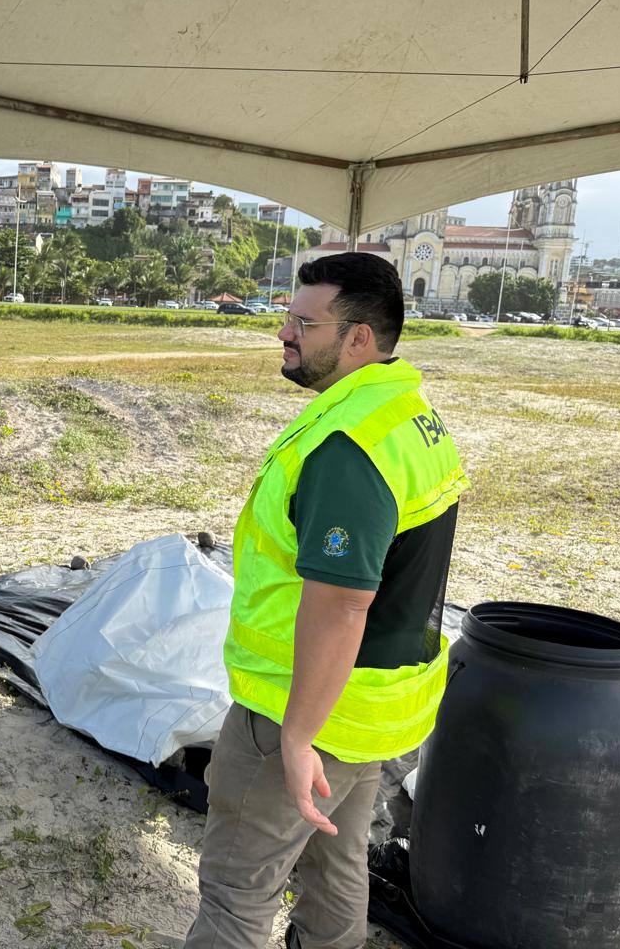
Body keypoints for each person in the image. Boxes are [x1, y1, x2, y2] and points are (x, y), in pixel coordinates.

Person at [185, 253, 470, 949]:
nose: (284, 334)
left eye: (305, 324)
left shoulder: (349, 447)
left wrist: (296, 736)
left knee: (236, 891)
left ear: (359, 339)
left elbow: (342, 604)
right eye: (288, 318)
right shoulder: (405, 414)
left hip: (307, 706)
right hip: (372, 706)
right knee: (336, 868)